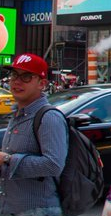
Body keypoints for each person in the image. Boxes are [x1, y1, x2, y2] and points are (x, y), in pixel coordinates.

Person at [0, 53, 68, 216]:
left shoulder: (49, 117)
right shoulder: (17, 114)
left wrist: (8, 160)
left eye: (26, 77)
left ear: (42, 84)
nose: (17, 81)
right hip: (10, 207)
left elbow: (54, 165)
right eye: (14, 75)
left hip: (38, 210)